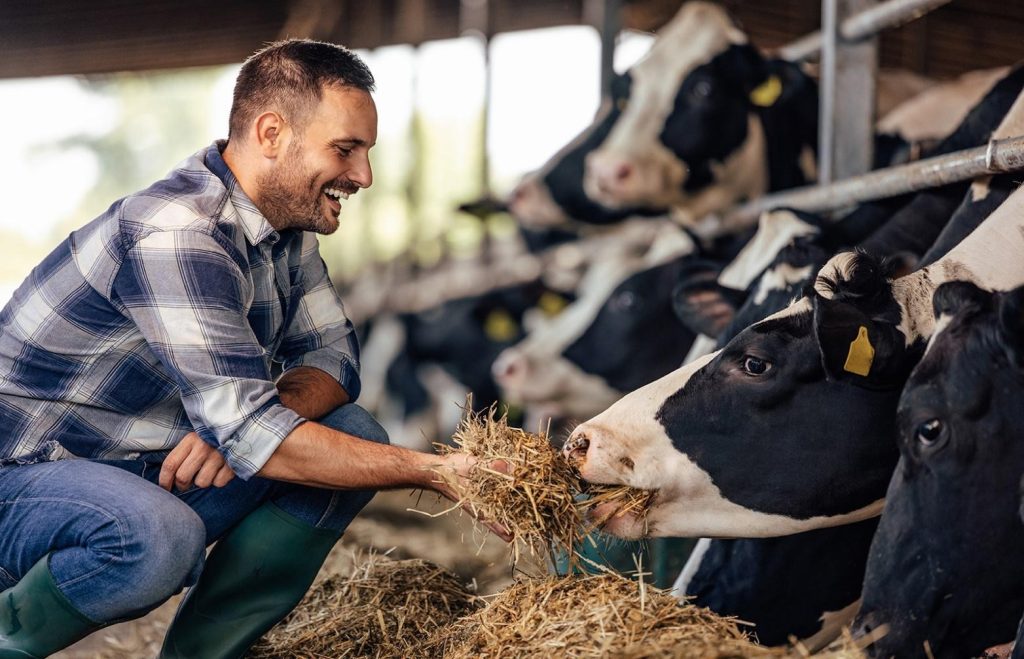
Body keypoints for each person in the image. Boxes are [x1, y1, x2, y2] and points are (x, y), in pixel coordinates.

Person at [0, 39, 507, 658]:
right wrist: (437, 470)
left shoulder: (286, 237)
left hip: (143, 466)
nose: (363, 176)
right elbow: (253, 431)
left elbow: (336, 361)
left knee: (352, 430)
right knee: (159, 535)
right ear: (271, 133)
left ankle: (204, 654)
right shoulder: (178, 233)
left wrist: (249, 423)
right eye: (345, 149)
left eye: (366, 153)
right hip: (25, 477)